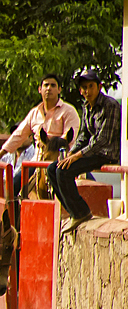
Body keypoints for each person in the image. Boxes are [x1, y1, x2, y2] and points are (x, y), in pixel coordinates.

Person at [48, 69, 120, 234]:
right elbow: (83, 135)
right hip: (92, 151)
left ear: (99, 86)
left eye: (91, 86)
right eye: (84, 88)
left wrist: (77, 156)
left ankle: (81, 212)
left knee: (63, 171)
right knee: (52, 169)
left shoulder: (109, 105)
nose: (87, 91)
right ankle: (73, 211)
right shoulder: (87, 106)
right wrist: (70, 154)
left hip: (106, 152)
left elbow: (102, 140)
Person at [0, 73, 80, 194]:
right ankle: (12, 211)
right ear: (40, 89)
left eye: (53, 85)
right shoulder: (34, 113)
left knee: (87, 186)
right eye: (46, 85)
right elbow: (18, 135)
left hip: (62, 161)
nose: (49, 88)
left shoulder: (69, 111)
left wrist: (52, 145)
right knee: (13, 187)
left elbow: (70, 136)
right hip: (37, 160)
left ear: (59, 90)